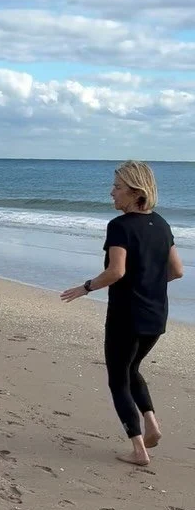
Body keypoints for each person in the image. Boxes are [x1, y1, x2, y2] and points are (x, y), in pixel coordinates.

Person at [61, 161, 184, 467]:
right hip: (156, 315)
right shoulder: (162, 224)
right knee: (132, 369)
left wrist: (86, 287)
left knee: (118, 379)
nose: (111, 192)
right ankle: (151, 425)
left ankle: (139, 450)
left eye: (117, 187)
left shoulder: (120, 227)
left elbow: (116, 271)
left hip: (126, 316)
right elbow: (177, 270)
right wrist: (148, 284)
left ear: (135, 192)